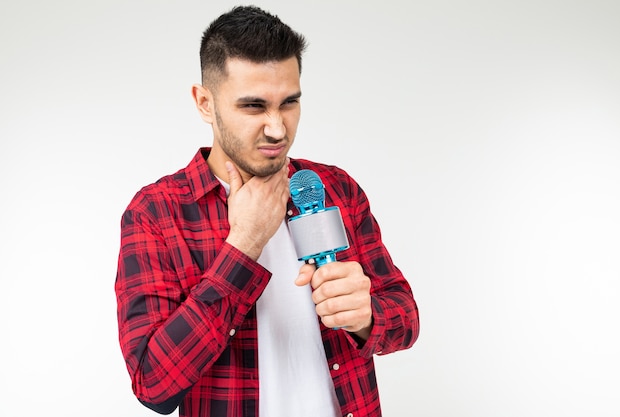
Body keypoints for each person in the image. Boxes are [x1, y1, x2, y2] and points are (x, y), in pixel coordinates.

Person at [115, 5, 419, 417]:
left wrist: (367, 317)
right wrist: (243, 246)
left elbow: (404, 319)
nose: (278, 128)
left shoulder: (337, 188)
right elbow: (153, 385)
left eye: (289, 102)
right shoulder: (156, 213)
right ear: (205, 103)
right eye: (254, 106)